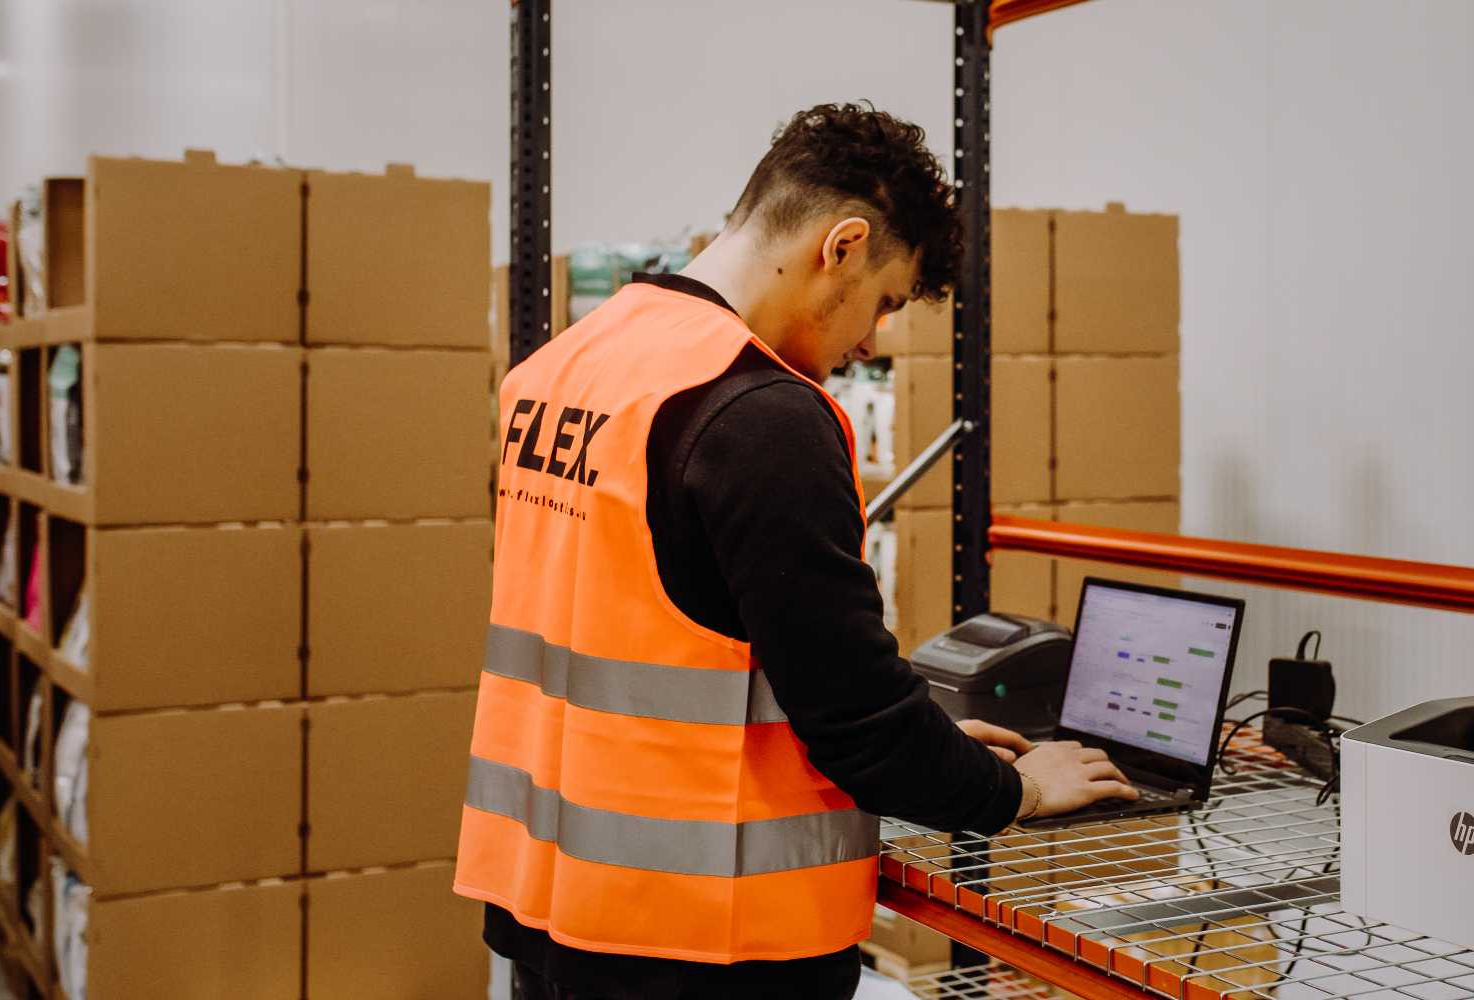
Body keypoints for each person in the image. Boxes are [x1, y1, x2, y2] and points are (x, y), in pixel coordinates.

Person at [455, 102, 1137, 1000]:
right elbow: (853, 714)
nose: (868, 345)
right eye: (883, 304)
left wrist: (936, 748)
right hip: (707, 941)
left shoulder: (565, 368)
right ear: (841, 245)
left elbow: (659, 635)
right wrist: (1020, 792)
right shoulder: (759, 415)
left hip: (555, 906)